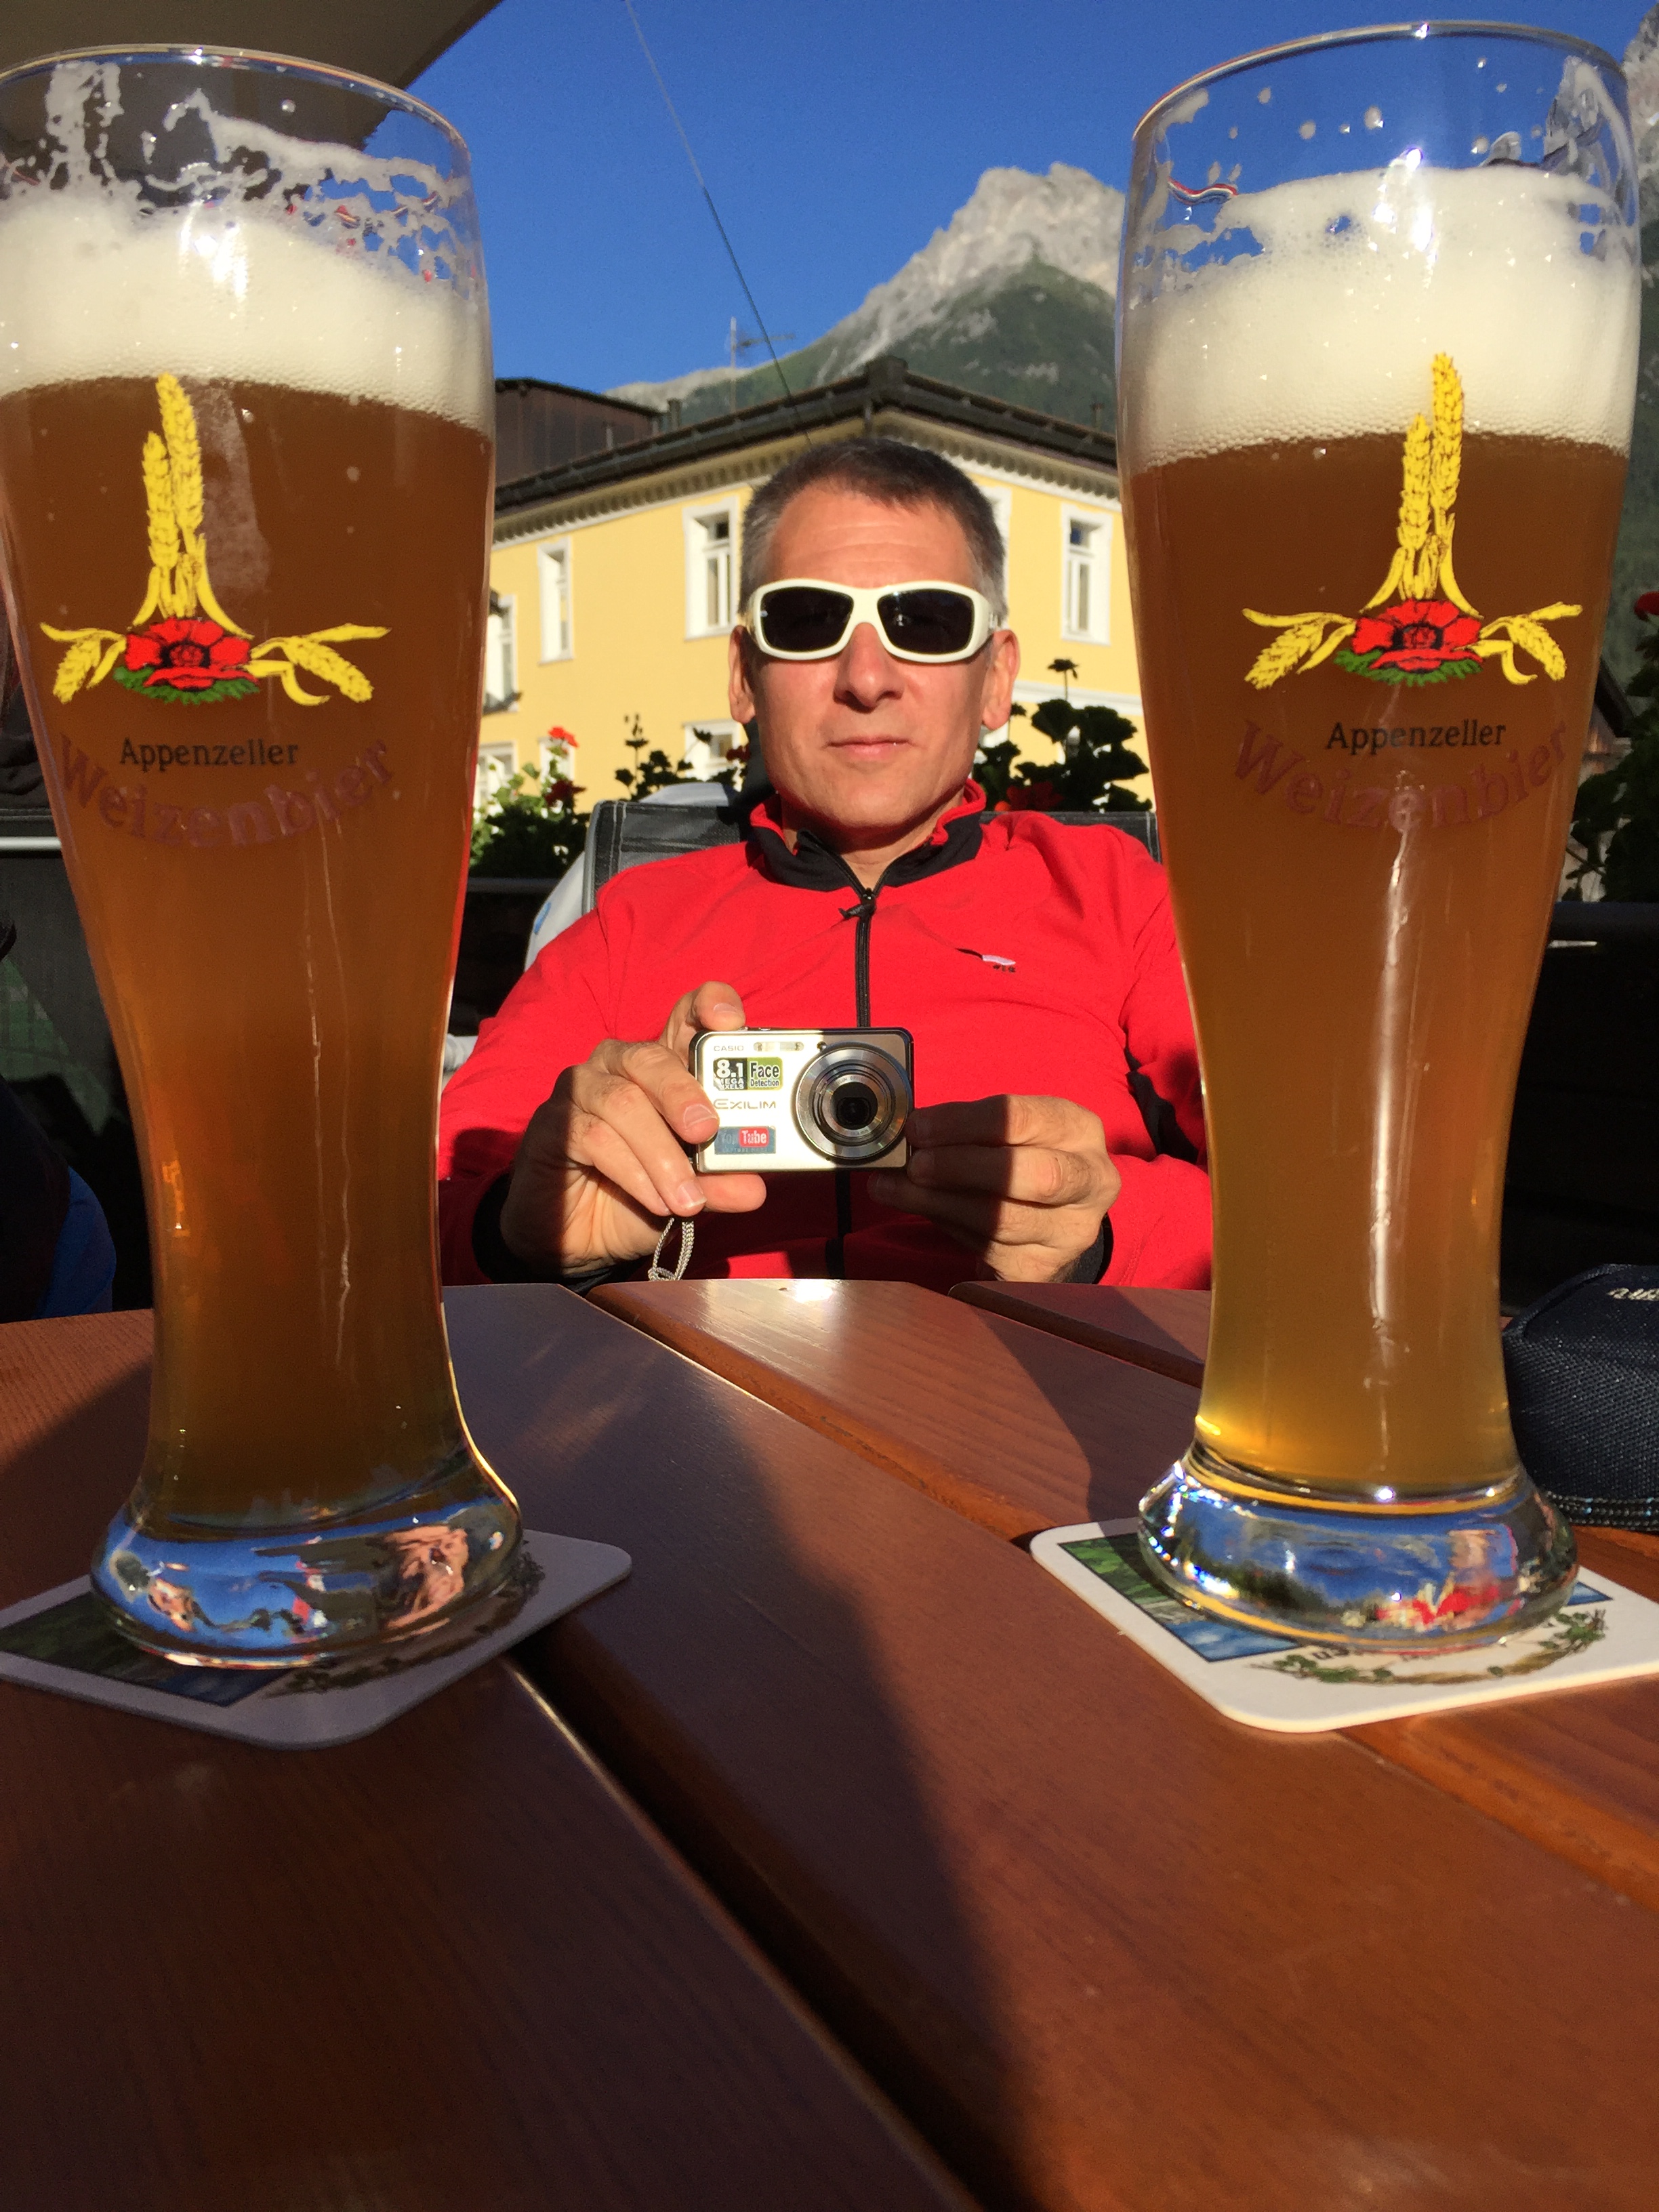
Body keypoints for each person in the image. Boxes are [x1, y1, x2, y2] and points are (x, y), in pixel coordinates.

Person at [439, 439, 1210, 1292]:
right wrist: (517, 1231)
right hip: (692, 1379)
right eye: (807, 621)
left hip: (1041, 1376)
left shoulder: (1119, 897)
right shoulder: (631, 921)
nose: (867, 678)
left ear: (996, 679)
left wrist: (1104, 1239)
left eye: (926, 622)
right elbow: (416, 1204)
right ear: (745, 677)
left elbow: (1296, 1192)